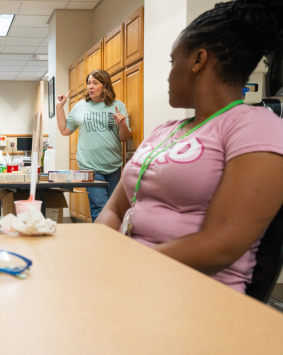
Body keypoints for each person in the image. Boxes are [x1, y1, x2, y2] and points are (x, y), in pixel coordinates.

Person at [96, 0, 283, 293]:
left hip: (196, 295)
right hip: (130, 279)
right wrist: (100, 261)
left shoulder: (256, 127)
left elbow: (220, 244)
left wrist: (128, 269)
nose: (169, 75)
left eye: (173, 62)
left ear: (198, 60)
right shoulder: (164, 131)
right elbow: (114, 209)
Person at [56, 69, 131, 221]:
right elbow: (64, 130)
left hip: (114, 165)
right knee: (100, 208)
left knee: (113, 208)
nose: (90, 87)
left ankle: (113, 242)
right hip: (89, 166)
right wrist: (59, 107)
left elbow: (124, 138)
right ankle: (102, 242)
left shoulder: (118, 106)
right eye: (89, 83)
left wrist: (122, 125)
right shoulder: (80, 107)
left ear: (105, 86)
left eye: (95, 83)